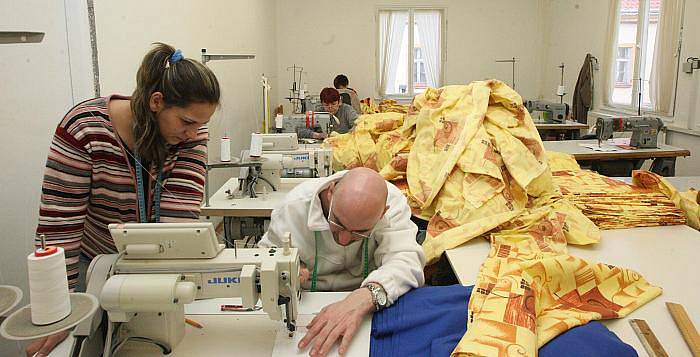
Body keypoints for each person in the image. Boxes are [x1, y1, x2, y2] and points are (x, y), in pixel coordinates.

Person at [26, 43, 221, 357]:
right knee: (78, 345)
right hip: (92, 264)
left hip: (152, 263)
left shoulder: (191, 133)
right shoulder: (85, 129)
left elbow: (179, 221)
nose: (193, 133)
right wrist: (58, 310)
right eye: (186, 122)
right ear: (156, 101)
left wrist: (168, 297)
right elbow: (59, 227)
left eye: (200, 124)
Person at [259, 167, 425, 357]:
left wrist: (363, 297)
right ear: (331, 191)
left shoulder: (393, 203)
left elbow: (407, 260)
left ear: (382, 214)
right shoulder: (293, 207)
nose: (344, 240)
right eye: (337, 223)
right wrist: (287, 270)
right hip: (308, 300)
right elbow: (266, 258)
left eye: (359, 232)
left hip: (369, 304)